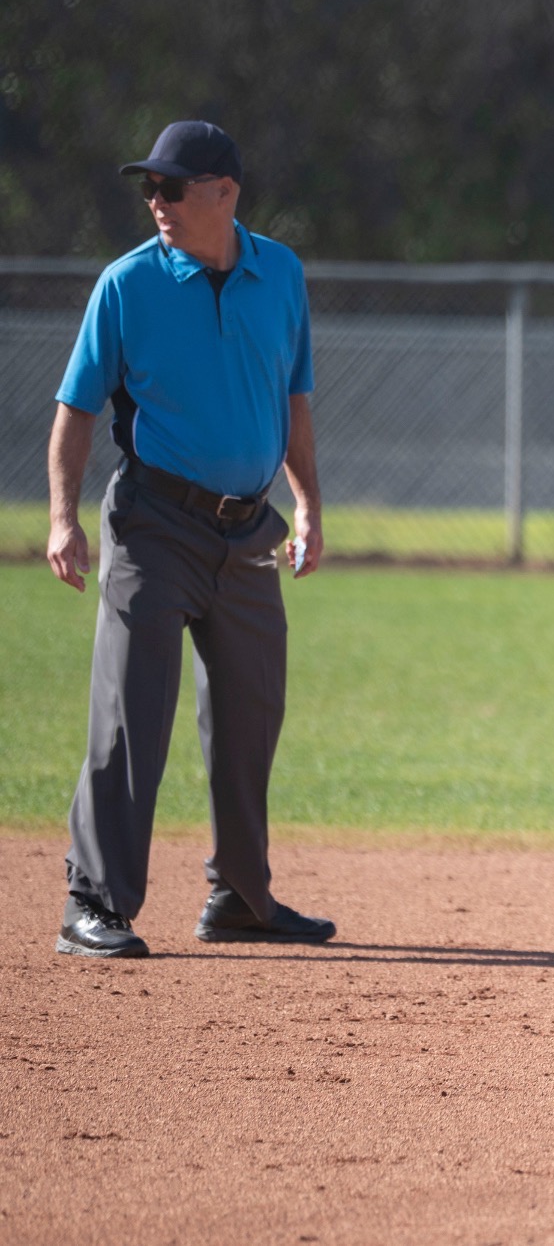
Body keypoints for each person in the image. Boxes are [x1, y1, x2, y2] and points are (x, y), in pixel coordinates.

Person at [45, 120, 334, 958]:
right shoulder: (128, 283)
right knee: (131, 711)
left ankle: (241, 896)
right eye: (151, 188)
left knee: (251, 714)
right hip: (153, 525)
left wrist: (309, 505)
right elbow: (76, 409)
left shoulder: (280, 274)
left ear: (225, 193)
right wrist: (63, 517)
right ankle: (94, 901)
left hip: (247, 531)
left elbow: (293, 400)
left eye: (172, 187)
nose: (156, 201)